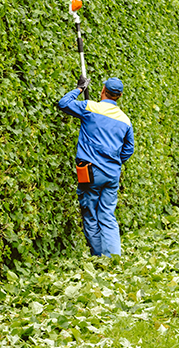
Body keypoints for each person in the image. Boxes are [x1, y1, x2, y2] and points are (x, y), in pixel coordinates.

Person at [58, 76, 135, 257]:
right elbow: (128, 149)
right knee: (108, 215)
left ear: (102, 90)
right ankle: (114, 258)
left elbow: (63, 103)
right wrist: (114, 161)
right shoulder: (125, 120)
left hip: (90, 172)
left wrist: (79, 88)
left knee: (90, 213)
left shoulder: (90, 108)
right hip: (112, 174)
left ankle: (100, 257)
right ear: (120, 96)